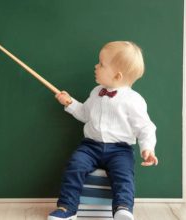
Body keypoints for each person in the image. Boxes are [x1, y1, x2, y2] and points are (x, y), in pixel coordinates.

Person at [48, 41, 158, 220]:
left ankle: (123, 208)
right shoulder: (96, 92)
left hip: (120, 149)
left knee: (123, 175)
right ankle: (66, 208)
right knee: (74, 166)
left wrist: (147, 148)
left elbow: (145, 127)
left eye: (101, 64)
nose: (96, 66)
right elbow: (84, 114)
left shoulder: (133, 100)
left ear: (117, 75)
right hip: (90, 146)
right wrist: (69, 102)